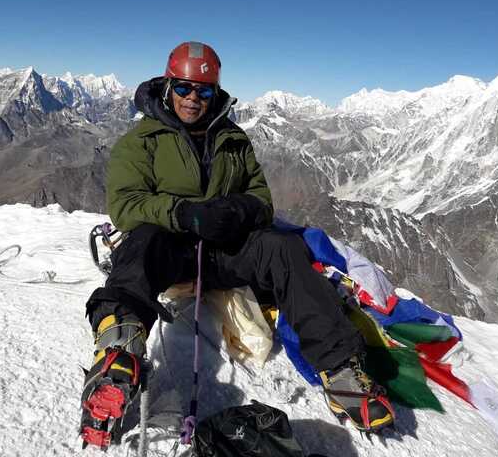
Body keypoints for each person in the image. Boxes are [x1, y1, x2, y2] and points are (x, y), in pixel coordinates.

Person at [80, 41, 394, 448]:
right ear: (168, 85)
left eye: (204, 91)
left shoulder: (232, 138)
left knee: (284, 249)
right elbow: (126, 205)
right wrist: (183, 214)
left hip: (225, 248)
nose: (194, 99)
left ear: (216, 93)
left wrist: (238, 210)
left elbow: (261, 198)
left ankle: (341, 371)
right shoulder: (142, 141)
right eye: (185, 89)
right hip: (172, 251)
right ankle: (117, 352)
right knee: (141, 243)